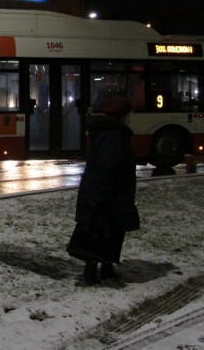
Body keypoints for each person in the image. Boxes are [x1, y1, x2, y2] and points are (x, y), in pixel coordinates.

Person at [67, 93, 140, 285]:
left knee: (109, 229)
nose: (130, 118)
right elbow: (107, 168)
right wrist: (104, 194)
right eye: (128, 114)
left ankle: (105, 267)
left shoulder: (109, 133)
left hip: (106, 193)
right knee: (101, 230)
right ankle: (93, 271)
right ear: (122, 115)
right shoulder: (114, 137)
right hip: (108, 194)